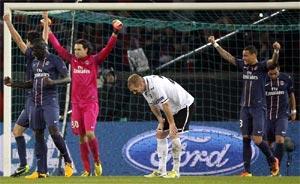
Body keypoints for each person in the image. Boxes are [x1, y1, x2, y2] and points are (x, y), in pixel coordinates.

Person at [46, 11, 123, 176]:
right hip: (76, 105)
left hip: (90, 104)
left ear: (86, 50)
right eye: (75, 49)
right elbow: (58, 48)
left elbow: (108, 48)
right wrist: (48, 29)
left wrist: (115, 32)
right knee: (81, 138)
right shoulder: (72, 60)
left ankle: (97, 162)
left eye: (79, 49)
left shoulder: (94, 60)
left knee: (89, 133)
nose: (76, 51)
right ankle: (86, 170)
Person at [208, 35, 280, 176]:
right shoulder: (244, 66)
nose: (244, 58)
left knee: (258, 140)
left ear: (254, 55)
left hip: (258, 108)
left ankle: (273, 160)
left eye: (246, 56)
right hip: (244, 108)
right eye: (243, 56)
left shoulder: (262, 67)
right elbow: (228, 57)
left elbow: (273, 62)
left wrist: (276, 51)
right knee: (246, 138)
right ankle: (247, 171)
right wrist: (215, 44)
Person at [3, 12, 48, 177]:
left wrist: (7, 22)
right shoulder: (43, 50)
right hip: (35, 98)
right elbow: (45, 38)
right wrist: (46, 18)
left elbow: (17, 39)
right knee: (17, 131)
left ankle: (42, 169)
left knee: (38, 134)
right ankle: (24, 165)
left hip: (35, 98)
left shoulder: (30, 54)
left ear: (30, 43)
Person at [127, 74, 195, 178]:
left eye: (135, 90)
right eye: (133, 91)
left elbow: (165, 104)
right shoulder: (145, 89)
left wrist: (172, 124)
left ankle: (175, 171)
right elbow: (152, 105)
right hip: (172, 109)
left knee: (174, 135)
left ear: (140, 83)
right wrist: (160, 121)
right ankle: (161, 170)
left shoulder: (155, 85)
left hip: (184, 106)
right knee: (160, 134)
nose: (135, 93)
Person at [265, 64, 297, 174]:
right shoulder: (262, 79)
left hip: (282, 115)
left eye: (275, 73)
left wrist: (293, 111)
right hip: (267, 116)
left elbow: (291, 95)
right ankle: (272, 169)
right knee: (267, 144)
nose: (273, 75)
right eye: (271, 74)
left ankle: (276, 171)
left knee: (279, 140)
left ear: (278, 69)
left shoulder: (286, 78)